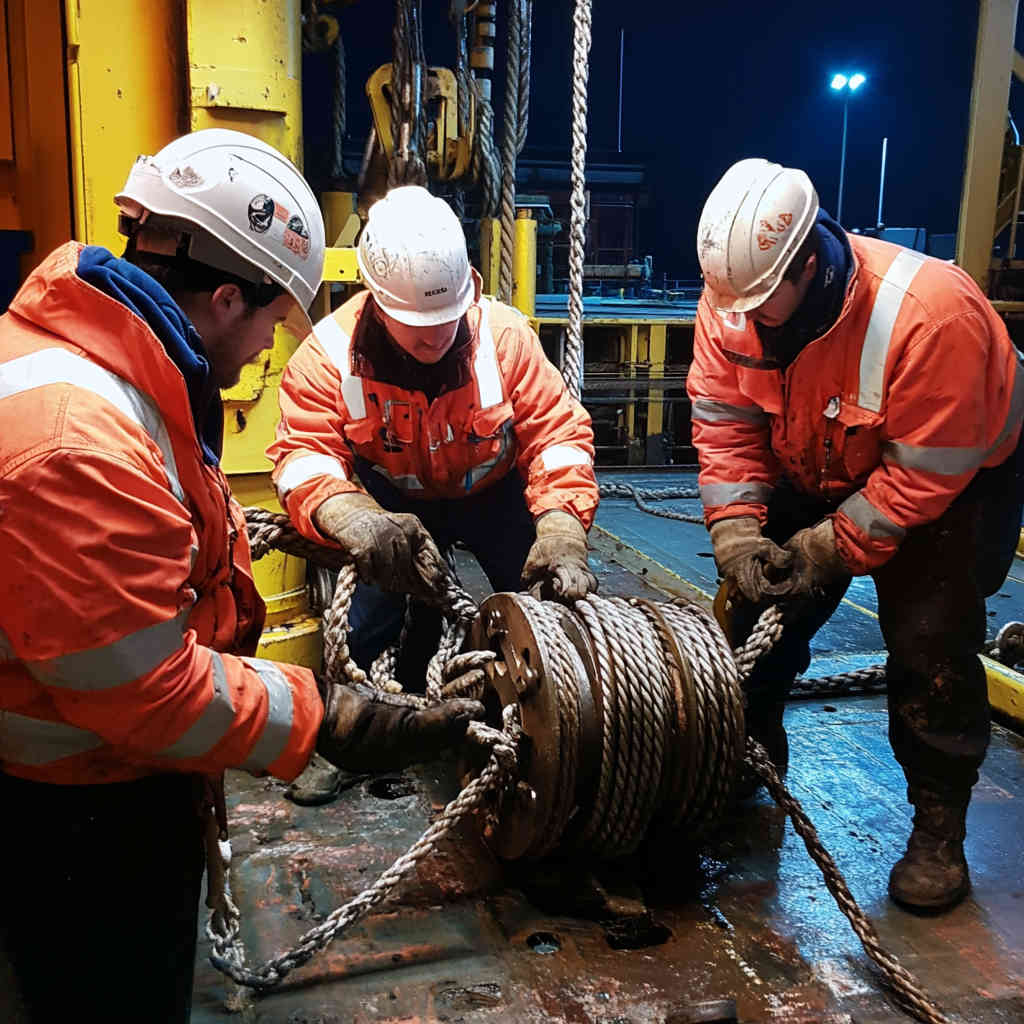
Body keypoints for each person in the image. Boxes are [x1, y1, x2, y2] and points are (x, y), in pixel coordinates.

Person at [0, 129, 481, 1024]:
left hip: (85, 782)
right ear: (226, 297)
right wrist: (327, 718)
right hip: (72, 816)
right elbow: (145, 690)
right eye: (268, 322)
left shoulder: (102, 372)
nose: (269, 347)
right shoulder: (81, 440)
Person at [688, 157, 1024, 913]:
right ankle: (752, 753)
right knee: (752, 617)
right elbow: (725, 421)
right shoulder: (733, 300)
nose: (738, 317)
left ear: (810, 261)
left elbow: (916, 483)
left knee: (930, 644)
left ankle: (939, 827)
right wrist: (741, 536)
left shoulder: (931, 317)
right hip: (819, 450)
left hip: (951, 478)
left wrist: (823, 551)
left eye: (758, 302)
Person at [268, 185, 599, 691]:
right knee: (366, 632)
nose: (434, 336)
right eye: (415, 324)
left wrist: (561, 526)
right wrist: (350, 516)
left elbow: (556, 436)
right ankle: (380, 719)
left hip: (495, 493)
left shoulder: (504, 339)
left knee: (548, 610)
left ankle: (554, 717)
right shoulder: (329, 355)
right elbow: (304, 455)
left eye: (446, 318)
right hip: (391, 507)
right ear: (375, 299)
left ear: (469, 284)